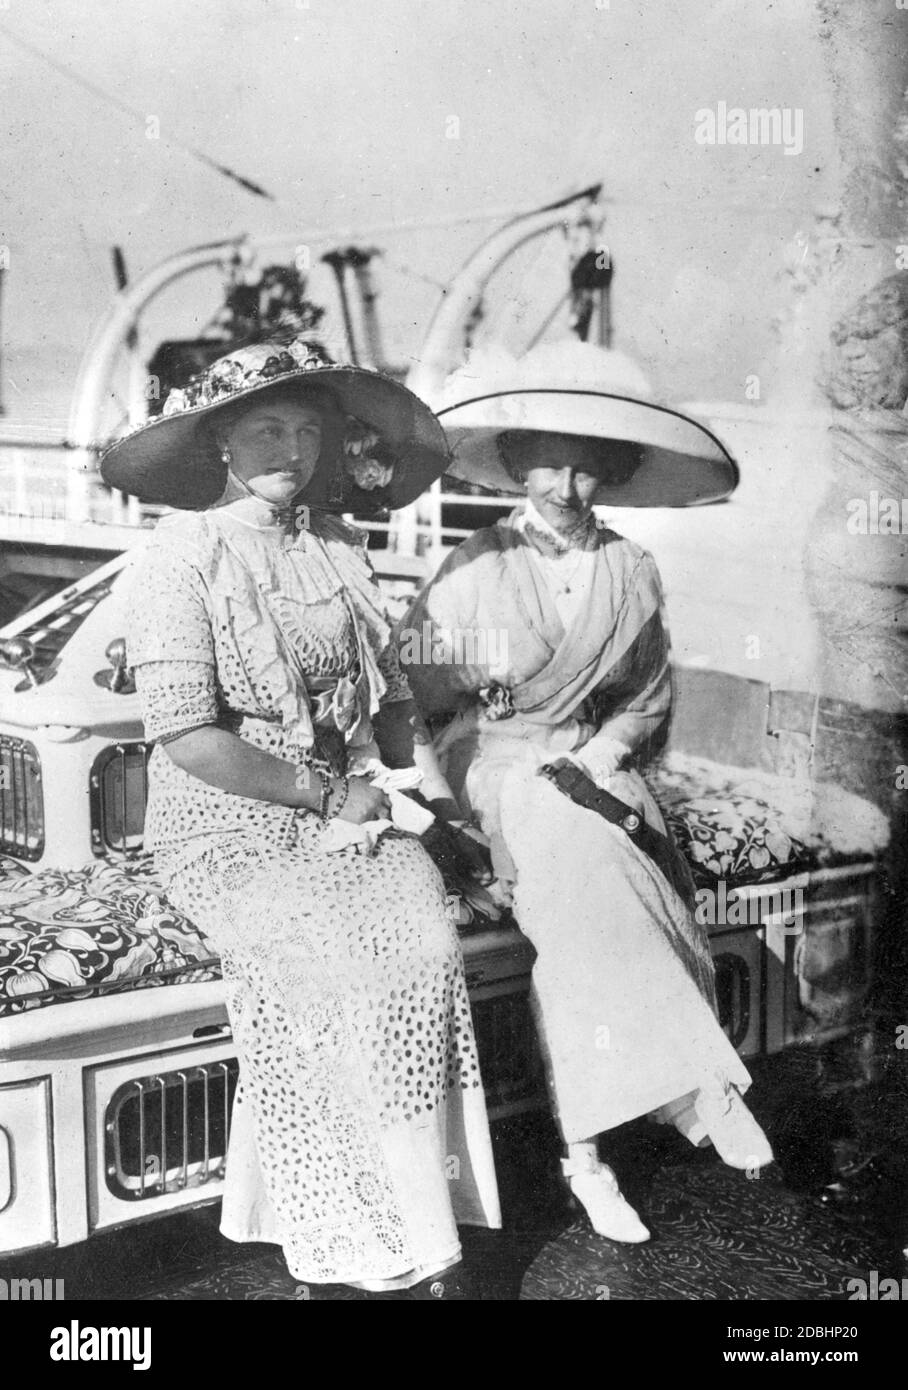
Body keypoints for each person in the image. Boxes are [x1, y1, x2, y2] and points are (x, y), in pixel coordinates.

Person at [101, 337, 501, 1297]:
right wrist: (328, 794)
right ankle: (360, 1235)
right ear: (223, 445)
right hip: (220, 829)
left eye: (307, 430)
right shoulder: (181, 555)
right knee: (334, 968)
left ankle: (413, 1218)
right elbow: (189, 736)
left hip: (343, 814)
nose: (291, 448)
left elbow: (394, 705)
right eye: (267, 428)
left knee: (422, 947)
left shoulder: (336, 547)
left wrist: (430, 805)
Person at [401, 342, 774, 1244]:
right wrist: (440, 806)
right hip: (491, 758)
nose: (565, 484)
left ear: (607, 472)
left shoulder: (634, 568)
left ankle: (590, 1154)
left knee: (603, 891)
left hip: (589, 768)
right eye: (548, 461)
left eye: (586, 464)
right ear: (517, 464)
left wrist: (608, 752)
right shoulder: (469, 567)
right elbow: (414, 701)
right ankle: (696, 1091)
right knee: (565, 842)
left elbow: (646, 696)